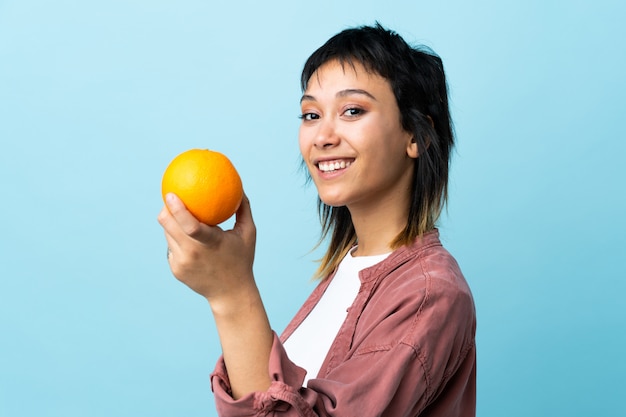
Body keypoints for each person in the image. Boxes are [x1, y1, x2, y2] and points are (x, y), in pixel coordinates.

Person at [158, 23, 476, 416]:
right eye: (310, 114)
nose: (322, 136)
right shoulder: (347, 271)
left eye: (352, 110)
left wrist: (232, 295)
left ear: (417, 135)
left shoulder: (430, 295)